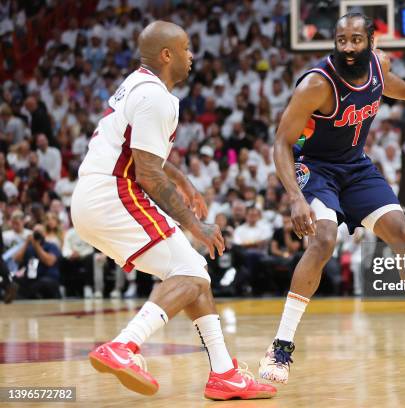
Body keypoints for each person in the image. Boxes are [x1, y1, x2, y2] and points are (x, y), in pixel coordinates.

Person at [259, 13, 405, 384]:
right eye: (341, 40)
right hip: (316, 168)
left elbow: (387, 84)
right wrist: (296, 199)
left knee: (402, 232)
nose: (348, 47)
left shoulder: (379, 67)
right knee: (322, 241)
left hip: (355, 166)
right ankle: (280, 347)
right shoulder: (317, 85)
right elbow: (281, 143)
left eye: (355, 40)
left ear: (371, 41)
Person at [70, 21, 275, 400]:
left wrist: (184, 181)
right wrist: (194, 223)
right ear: (167, 55)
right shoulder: (157, 98)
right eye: (186, 47)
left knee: (194, 273)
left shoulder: (137, 84)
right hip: (114, 194)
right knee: (190, 270)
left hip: (95, 195)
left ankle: (224, 373)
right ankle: (124, 346)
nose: (192, 55)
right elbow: (146, 173)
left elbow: (145, 155)